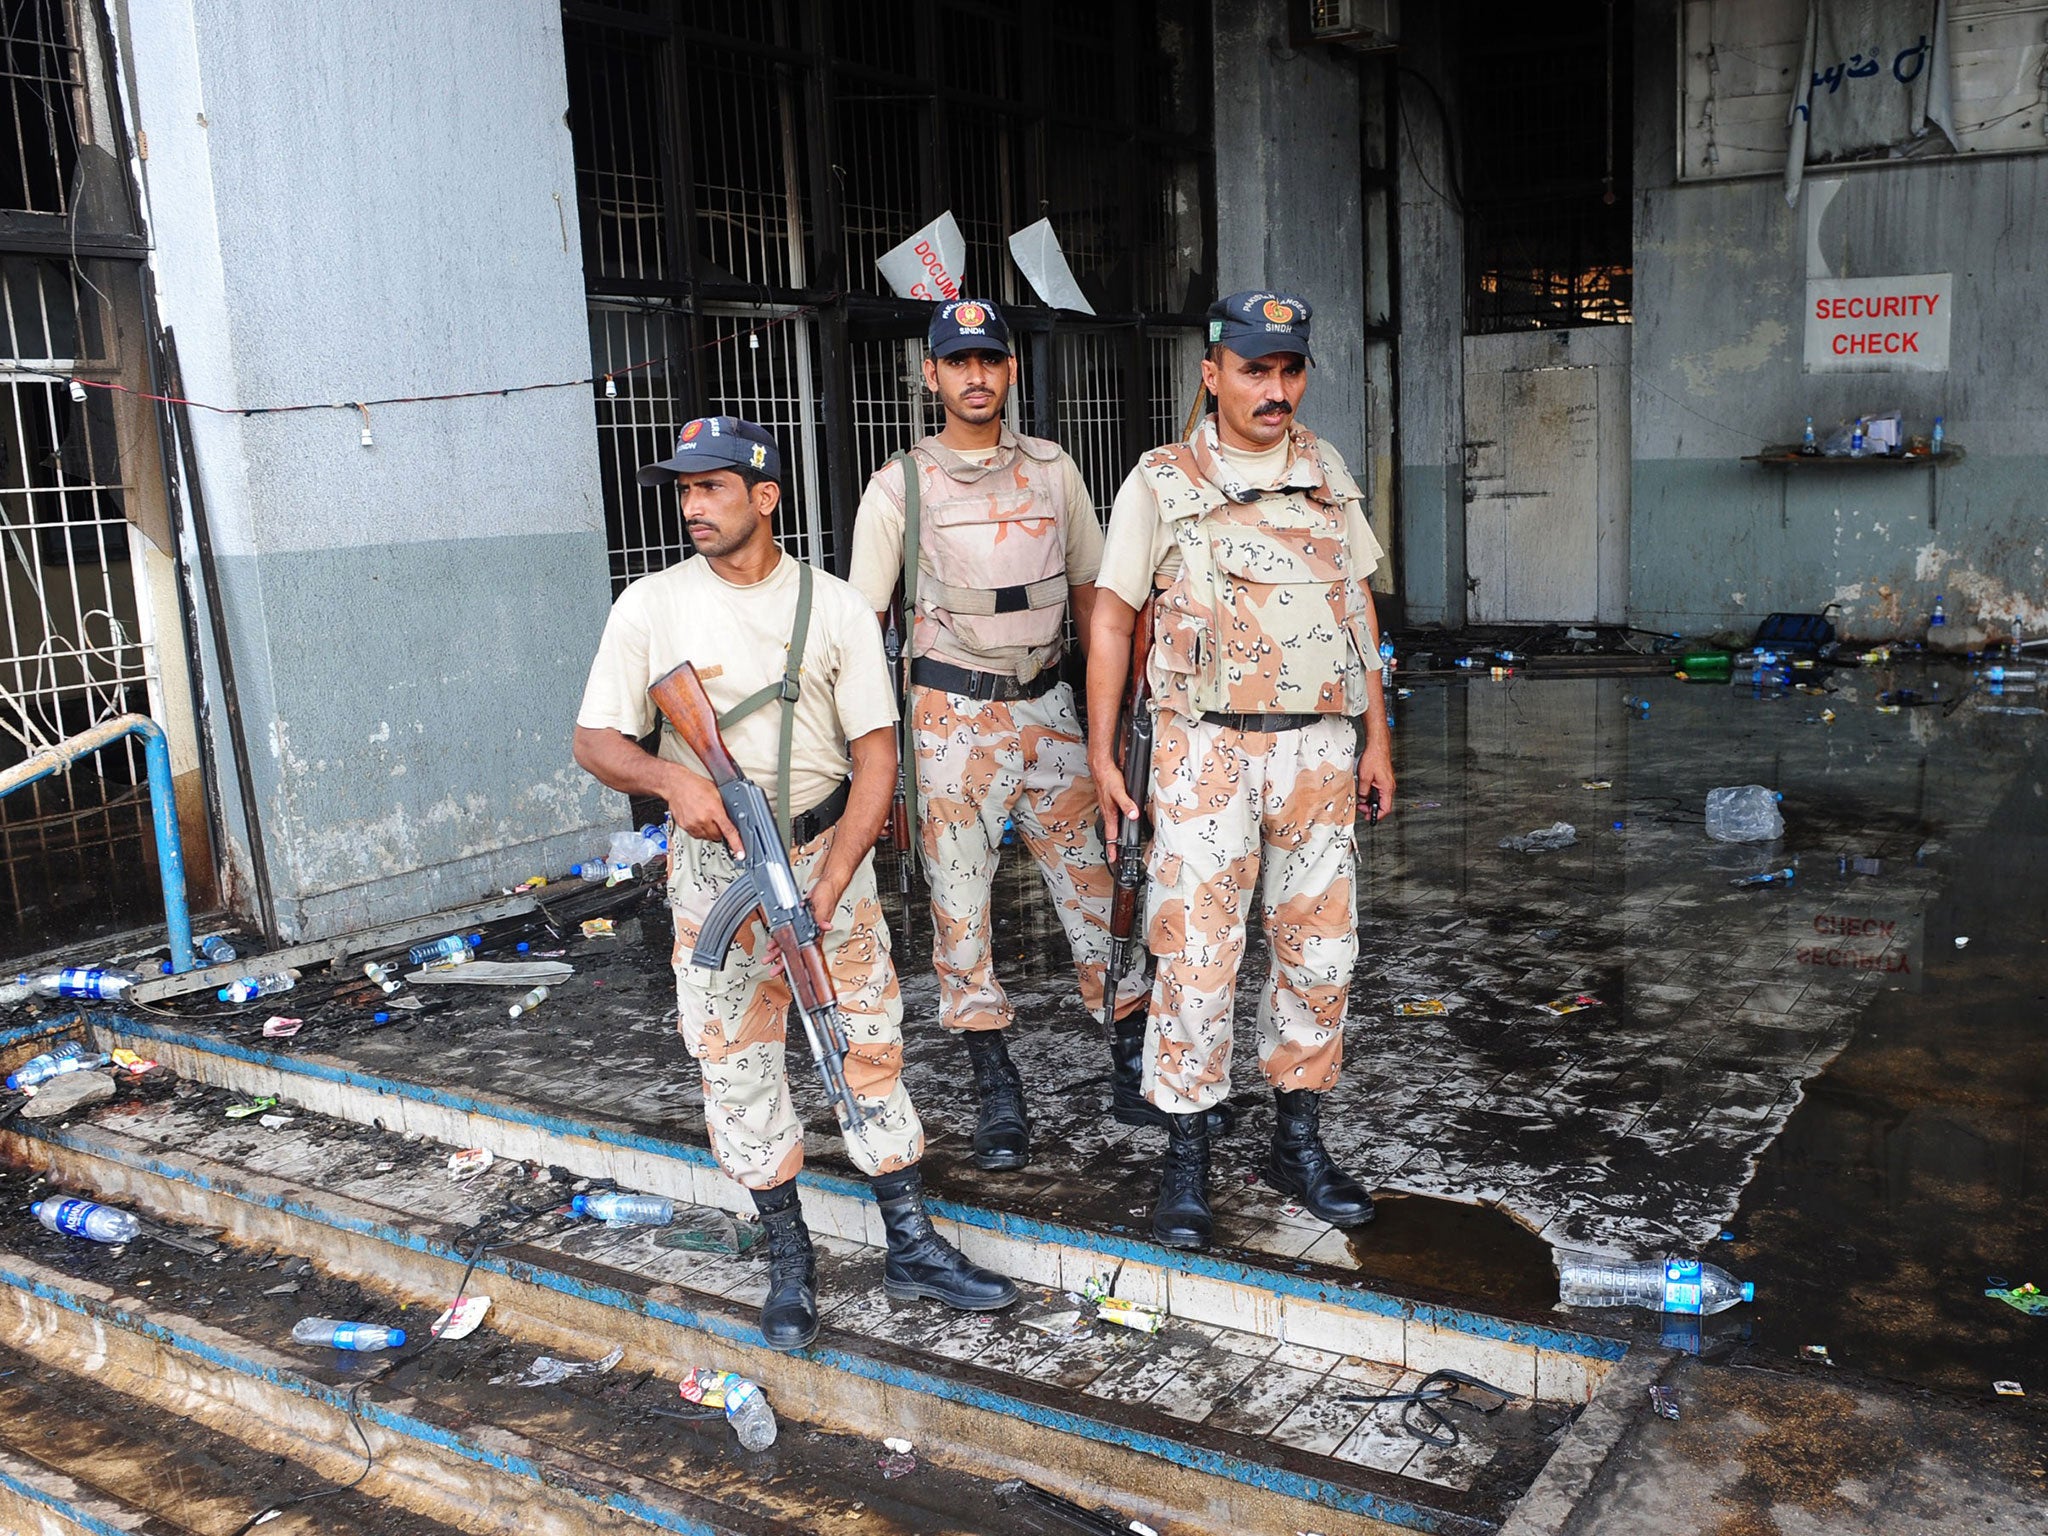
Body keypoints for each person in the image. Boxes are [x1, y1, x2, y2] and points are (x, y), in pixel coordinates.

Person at [573, 415, 1016, 1349]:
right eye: (684, 491)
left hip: (825, 859)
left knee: (863, 1043)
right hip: (711, 875)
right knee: (736, 1061)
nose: (692, 506)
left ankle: (910, 1243)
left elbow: (878, 758)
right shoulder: (648, 608)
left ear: (764, 496)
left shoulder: (836, 607)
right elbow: (596, 741)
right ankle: (790, 1260)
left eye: (713, 488)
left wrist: (837, 874)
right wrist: (672, 781)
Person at [849, 297, 1213, 1172]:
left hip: (1051, 710)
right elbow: (863, 626)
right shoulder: (899, 482)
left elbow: (1098, 598)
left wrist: (1110, 721)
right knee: (959, 908)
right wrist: (878, 762)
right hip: (950, 720)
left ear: (1010, 370)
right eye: (957, 361)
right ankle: (994, 1082)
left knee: (1101, 888)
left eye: (991, 359)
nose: (976, 375)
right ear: (930, 375)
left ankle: (1130, 1058)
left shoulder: (1053, 470)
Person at [1085, 291, 1395, 1250]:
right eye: (1255, 370)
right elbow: (1110, 616)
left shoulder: (1326, 472)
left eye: (1289, 370)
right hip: (1205, 749)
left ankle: (1294, 1144)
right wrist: (1101, 753)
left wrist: (1378, 738)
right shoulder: (1159, 481)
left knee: (1320, 953)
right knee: (1195, 958)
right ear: (1212, 373)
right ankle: (1187, 1157)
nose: (1275, 389)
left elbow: (1358, 611)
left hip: (1319, 749)